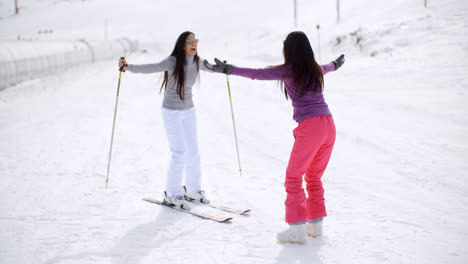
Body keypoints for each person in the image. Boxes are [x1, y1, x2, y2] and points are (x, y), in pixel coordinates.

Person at [204, 31, 345, 243]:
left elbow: (258, 74)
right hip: (329, 124)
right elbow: (329, 67)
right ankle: (315, 227)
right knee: (314, 176)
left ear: (289, 50)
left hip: (311, 126)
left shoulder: (289, 70)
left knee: (294, 177)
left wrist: (230, 70)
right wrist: (336, 63)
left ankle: (297, 229)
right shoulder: (315, 69)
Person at [119, 31, 211, 211]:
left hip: (189, 110)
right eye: (190, 41)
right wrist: (128, 67)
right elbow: (151, 67)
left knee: (193, 149)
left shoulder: (198, 62)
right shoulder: (173, 62)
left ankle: (193, 190)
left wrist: (227, 69)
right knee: (179, 152)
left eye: (196, 41)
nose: (194, 44)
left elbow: (213, 67)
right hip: (172, 112)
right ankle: (172, 193)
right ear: (182, 45)